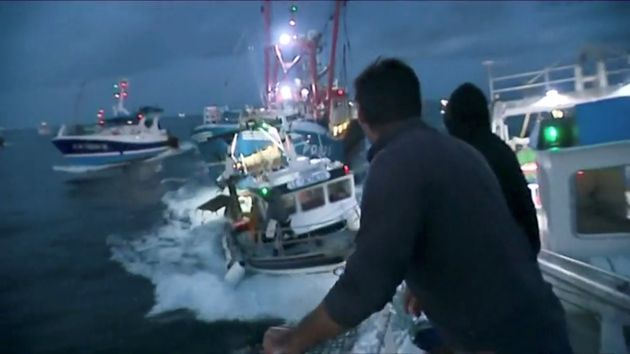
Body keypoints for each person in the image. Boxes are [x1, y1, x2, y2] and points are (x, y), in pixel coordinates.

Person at [262, 58, 572, 354]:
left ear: (364, 118)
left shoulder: (395, 163)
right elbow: (475, 238)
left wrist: (294, 340)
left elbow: (366, 285)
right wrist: (424, 285)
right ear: (415, 106)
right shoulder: (463, 152)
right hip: (542, 326)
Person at [443, 82, 541, 255]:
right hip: (516, 262)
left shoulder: (455, 158)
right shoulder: (502, 151)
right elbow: (524, 210)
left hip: (478, 267)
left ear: (453, 120)